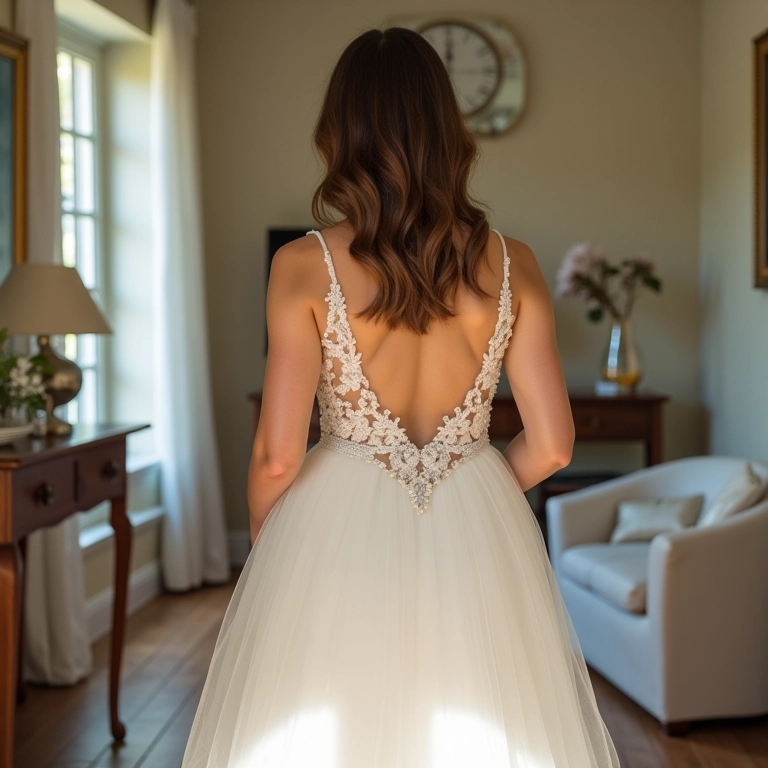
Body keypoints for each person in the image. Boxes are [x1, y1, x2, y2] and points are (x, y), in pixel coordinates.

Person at [182, 26, 621, 768]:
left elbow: (278, 453)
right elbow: (552, 445)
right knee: (480, 716)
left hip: (332, 515)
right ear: (448, 130)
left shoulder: (301, 265)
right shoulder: (515, 263)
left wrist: (274, 545)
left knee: (329, 715)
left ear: (340, 130)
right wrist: (462, 487)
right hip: (479, 509)